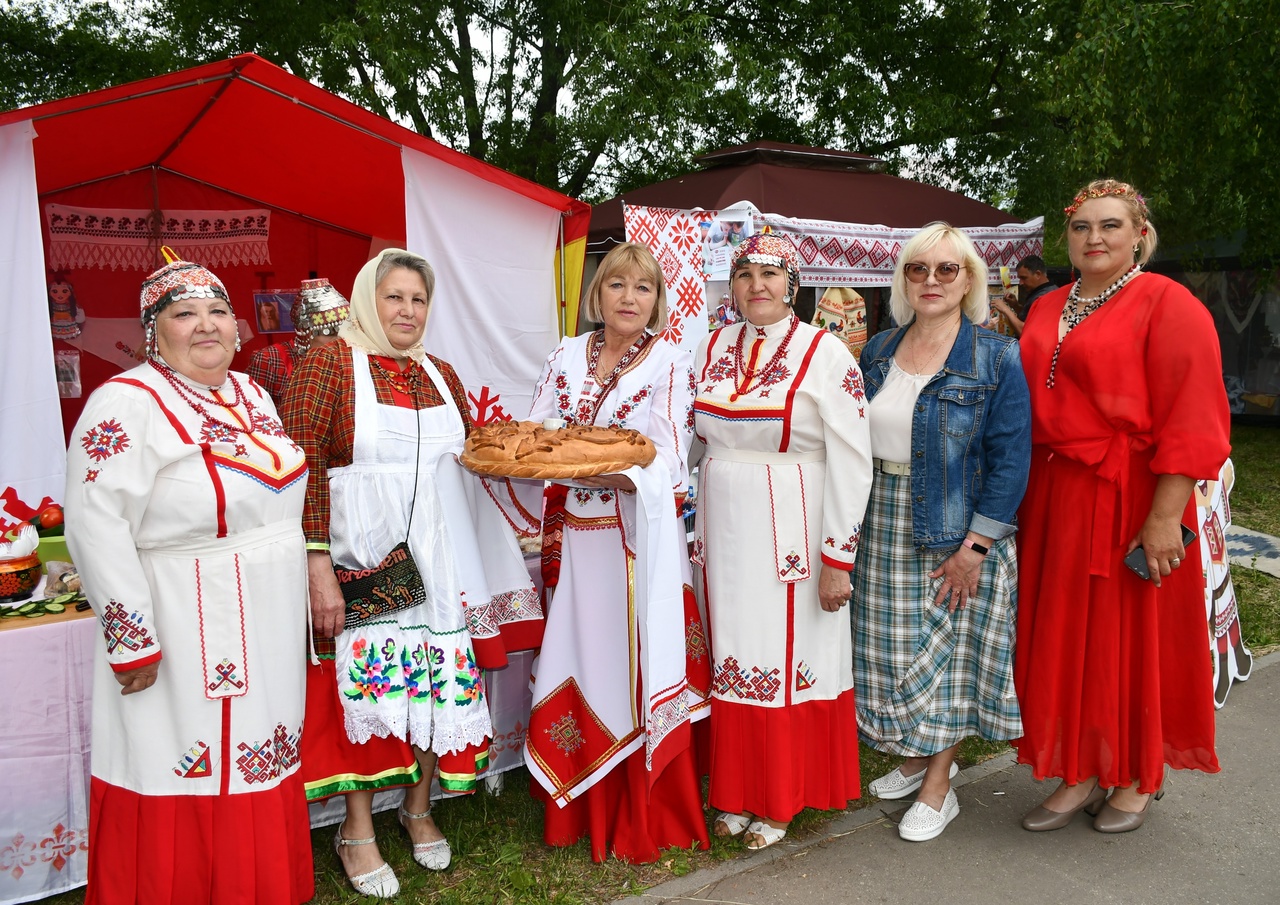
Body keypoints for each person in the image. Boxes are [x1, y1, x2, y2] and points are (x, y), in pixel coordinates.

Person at [281, 248, 540, 897]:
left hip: (440, 558)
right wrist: (315, 560)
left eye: (418, 299)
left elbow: (470, 457)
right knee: (369, 689)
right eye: (394, 297)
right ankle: (357, 828)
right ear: (371, 299)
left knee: (429, 684)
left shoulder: (442, 372)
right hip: (363, 557)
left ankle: (417, 804)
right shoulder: (329, 362)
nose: (407, 310)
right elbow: (302, 462)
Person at [64, 250, 313, 905]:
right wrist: (130, 637)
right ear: (155, 331)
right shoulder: (124, 403)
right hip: (189, 623)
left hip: (268, 622)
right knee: (187, 761)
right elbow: (96, 522)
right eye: (184, 314)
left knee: (262, 751)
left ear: (238, 325)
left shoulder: (253, 393)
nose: (206, 325)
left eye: (218, 311)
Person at [1014, 179, 1231, 833]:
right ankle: (1078, 768)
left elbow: (1194, 414)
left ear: (1140, 232)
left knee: (1131, 634)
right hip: (1055, 493)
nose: (1094, 238)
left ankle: (1137, 772)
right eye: (1081, 227)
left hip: (1135, 491)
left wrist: (1165, 515)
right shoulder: (1048, 303)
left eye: (1110, 225)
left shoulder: (1169, 302)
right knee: (1064, 635)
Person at [523, 242, 711, 862]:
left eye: (644, 288)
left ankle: (640, 806)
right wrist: (568, 460)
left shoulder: (669, 360)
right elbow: (538, 430)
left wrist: (581, 466)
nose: (630, 298)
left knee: (632, 658)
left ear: (657, 300)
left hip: (639, 543)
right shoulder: (565, 354)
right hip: (576, 539)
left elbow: (665, 454)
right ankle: (578, 807)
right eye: (618, 285)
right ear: (596, 294)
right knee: (582, 652)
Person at [692, 232, 874, 849]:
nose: (756, 285)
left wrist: (837, 558)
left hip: (791, 532)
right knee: (732, 657)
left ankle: (780, 796)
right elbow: (692, 440)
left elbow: (854, 461)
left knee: (784, 662)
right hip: (722, 535)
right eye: (745, 273)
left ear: (793, 285)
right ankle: (737, 791)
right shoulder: (711, 346)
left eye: (771, 274)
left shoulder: (827, 354)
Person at [851, 222, 1031, 842]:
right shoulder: (876, 351)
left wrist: (975, 547)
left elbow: (1011, 460)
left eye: (946, 270)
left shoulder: (996, 355)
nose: (931, 281)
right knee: (895, 651)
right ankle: (912, 757)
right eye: (918, 269)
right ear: (903, 279)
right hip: (882, 516)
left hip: (956, 526)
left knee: (947, 656)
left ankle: (939, 784)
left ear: (969, 280)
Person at [247, 277, 350, 401]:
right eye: (329, 332)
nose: (339, 339)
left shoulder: (347, 359)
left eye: (344, 330)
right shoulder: (271, 360)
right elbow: (252, 408)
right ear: (305, 332)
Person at [990, 255, 1057, 337]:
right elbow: (1029, 317)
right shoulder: (1042, 291)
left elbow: (1026, 333)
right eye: (1019, 278)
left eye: (1024, 278)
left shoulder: (1046, 297)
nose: (1021, 283)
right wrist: (1015, 305)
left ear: (1038, 274)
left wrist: (1005, 309)